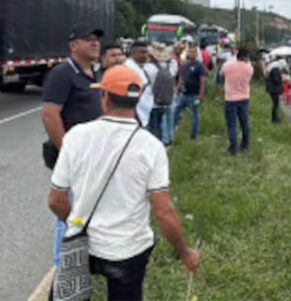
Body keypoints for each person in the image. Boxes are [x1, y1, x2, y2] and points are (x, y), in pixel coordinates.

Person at [48, 66, 199, 300]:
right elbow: (164, 212)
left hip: (83, 244)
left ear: (105, 98)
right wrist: (185, 252)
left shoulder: (75, 136)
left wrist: (78, 223)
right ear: (138, 99)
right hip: (128, 250)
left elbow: (56, 201)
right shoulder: (151, 147)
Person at [41, 22, 104, 268]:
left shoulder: (93, 73)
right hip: (74, 159)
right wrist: (68, 152)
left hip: (92, 158)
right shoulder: (63, 73)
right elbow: (50, 114)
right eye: (88, 39)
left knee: (85, 209)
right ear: (74, 45)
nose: (95, 43)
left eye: (97, 39)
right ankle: (62, 269)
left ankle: (81, 262)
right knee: (68, 212)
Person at [220, 47, 253, 155]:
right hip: (244, 98)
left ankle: (233, 149)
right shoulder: (249, 68)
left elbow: (221, 75)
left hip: (230, 98)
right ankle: (245, 145)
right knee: (245, 123)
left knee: (232, 125)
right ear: (246, 57)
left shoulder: (227, 65)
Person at [146, 42, 178, 144]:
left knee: (153, 126)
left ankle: (156, 143)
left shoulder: (148, 68)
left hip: (151, 102)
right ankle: (166, 140)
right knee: (164, 122)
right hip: (167, 100)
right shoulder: (170, 66)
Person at [174, 45, 207, 140]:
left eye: (193, 52)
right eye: (190, 52)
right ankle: (172, 131)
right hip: (184, 94)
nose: (191, 53)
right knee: (175, 111)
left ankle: (194, 136)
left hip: (194, 95)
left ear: (196, 54)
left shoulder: (199, 66)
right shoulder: (185, 65)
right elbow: (181, 77)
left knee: (195, 115)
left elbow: (203, 80)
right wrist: (178, 89)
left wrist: (201, 94)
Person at [124, 39, 153, 126]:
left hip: (143, 113)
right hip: (136, 114)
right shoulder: (129, 68)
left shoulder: (141, 68)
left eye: (146, 52)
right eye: (142, 52)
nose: (145, 55)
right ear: (133, 53)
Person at [265, 57, 285, 123]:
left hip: (273, 90)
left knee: (275, 105)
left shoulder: (273, 69)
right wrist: (282, 80)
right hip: (274, 90)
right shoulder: (275, 70)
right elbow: (276, 80)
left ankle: (275, 118)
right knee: (276, 105)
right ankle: (275, 119)